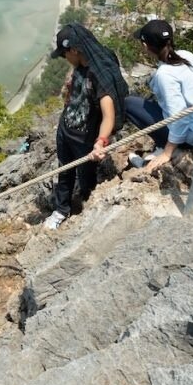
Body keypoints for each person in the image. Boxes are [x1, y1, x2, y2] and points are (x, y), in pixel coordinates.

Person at [44, 23, 128, 230]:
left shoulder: (99, 73)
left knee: (85, 176)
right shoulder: (82, 63)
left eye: (64, 54)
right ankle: (61, 209)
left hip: (85, 138)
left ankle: (86, 203)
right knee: (64, 170)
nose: (65, 59)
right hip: (67, 128)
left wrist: (100, 142)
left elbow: (109, 114)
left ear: (73, 49)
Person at [124, 20, 193, 173]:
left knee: (130, 103)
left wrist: (167, 152)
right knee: (156, 103)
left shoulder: (164, 75)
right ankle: (161, 147)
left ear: (146, 46)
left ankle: (163, 149)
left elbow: (180, 118)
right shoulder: (187, 55)